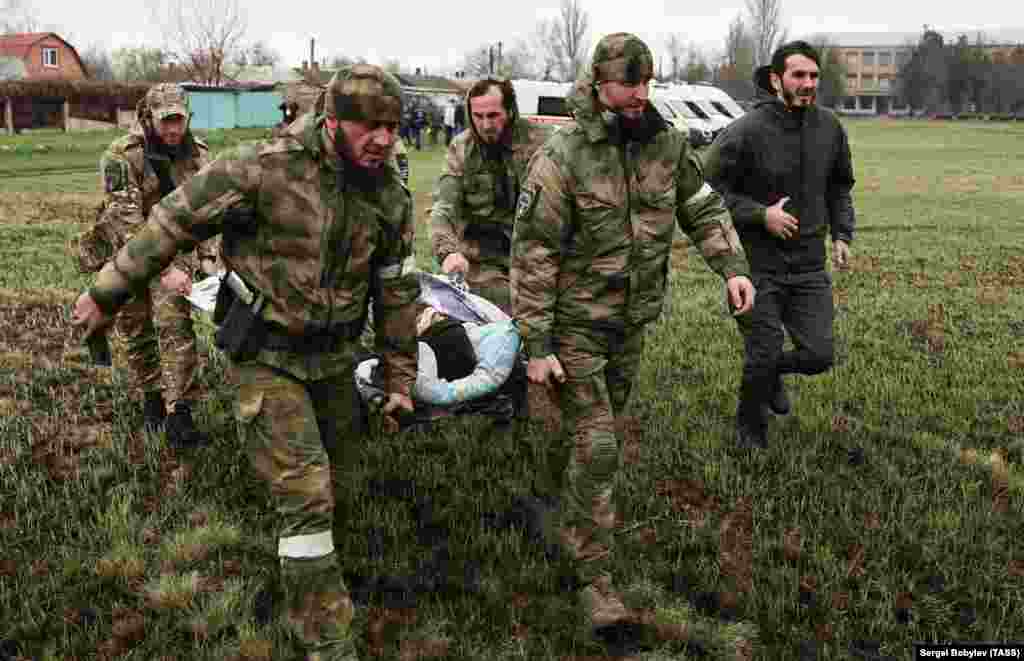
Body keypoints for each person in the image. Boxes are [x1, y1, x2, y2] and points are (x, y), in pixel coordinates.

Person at [72, 64, 420, 661]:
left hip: (335, 359)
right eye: (369, 127)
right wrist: (105, 294)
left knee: (346, 484)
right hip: (266, 356)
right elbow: (170, 223)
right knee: (306, 497)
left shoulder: (387, 192)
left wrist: (400, 377)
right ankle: (327, 640)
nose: (384, 140)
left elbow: (396, 289)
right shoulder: (262, 168)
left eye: (392, 127)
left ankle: (330, 581)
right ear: (333, 120)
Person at [510, 33, 754, 635]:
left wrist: (733, 268)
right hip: (575, 328)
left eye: (646, 83)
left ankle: (551, 506)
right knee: (599, 446)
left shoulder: (666, 144)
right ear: (597, 83)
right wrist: (536, 343)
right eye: (627, 83)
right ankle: (594, 580)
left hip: (630, 327)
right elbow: (534, 251)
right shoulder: (563, 156)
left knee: (590, 437)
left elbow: (701, 206)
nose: (638, 95)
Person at [702, 41, 856, 449]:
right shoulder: (744, 132)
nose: (808, 84)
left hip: (809, 267)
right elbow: (706, 192)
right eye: (798, 75)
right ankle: (750, 428)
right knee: (763, 349)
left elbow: (840, 186)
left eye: (813, 76)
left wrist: (842, 233)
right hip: (757, 268)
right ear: (776, 80)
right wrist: (759, 215)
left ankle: (770, 375)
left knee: (820, 355)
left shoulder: (830, 128)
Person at [78, 83, 219, 447]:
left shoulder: (197, 153)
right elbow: (126, 224)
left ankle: (181, 413)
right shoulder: (122, 156)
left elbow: (208, 209)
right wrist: (162, 270)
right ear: (148, 118)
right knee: (136, 324)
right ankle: (152, 398)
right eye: (165, 121)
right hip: (130, 250)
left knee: (175, 324)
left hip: (174, 248)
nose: (174, 129)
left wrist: (207, 258)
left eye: (179, 120)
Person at [430, 78, 554, 315]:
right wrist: (448, 252)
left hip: (536, 259)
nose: (486, 124)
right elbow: (444, 207)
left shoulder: (543, 144)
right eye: (478, 116)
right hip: (483, 263)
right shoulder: (462, 149)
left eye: (493, 115)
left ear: (510, 111)